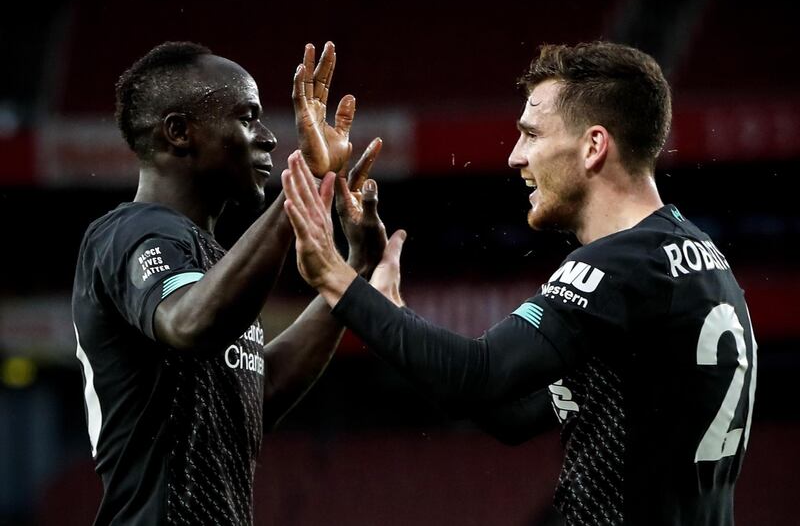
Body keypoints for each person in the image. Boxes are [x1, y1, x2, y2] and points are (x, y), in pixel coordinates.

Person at [281, 41, 758, 525]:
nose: (515, 157)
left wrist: (334, 276)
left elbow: (479, 374)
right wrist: (389, 309)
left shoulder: (620, 265)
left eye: (531, 135)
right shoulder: (699, 263)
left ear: (594, 146)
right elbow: (513, 414)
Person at [72, 40, 387, 525]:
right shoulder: (128, 233)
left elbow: (262, 394)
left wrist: (357, 268)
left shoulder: (214, 263)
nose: (267, 137)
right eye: (247, 117)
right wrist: (301, 187)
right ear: (179, 132)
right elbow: (190, 322)